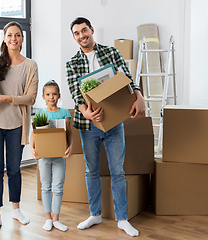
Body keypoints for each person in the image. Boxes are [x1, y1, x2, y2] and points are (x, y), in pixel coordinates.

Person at [65, 17, 145, 237]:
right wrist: (85, 112)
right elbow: (75, 92)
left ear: (91, 30)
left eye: (84, 30)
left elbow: (126, 78)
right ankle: (95, 214)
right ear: (74, 37)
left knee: (117, 171)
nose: (82, 35)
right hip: (88, 126)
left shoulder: (111, 53)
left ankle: (122, 218)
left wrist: (139, 96)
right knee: (91, 171)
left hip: (114, 122)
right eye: (77, 33)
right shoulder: (72, 63)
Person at [0, 21, 39, 233]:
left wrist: (7, 98)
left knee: (14, 170)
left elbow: (31, 98)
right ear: (4, 39)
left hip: (16, 125)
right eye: (9, 35)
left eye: (17, 35)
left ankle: (16, 209)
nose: (13, 39)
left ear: (22, 39)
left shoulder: (30, 65)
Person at [30, 80, 73, 232]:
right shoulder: (41, 113)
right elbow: (34, 133)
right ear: (43, 96)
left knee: (58, 187)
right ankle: (48, 218)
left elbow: (68, 133)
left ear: (59, 96)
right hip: (44, 157)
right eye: (48, 94)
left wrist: (70, 146)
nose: (51, 97)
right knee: (46, 187)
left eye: (54, 94)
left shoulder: (64, 113)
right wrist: (32, 148)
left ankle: (56, 219)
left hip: (60, 155)